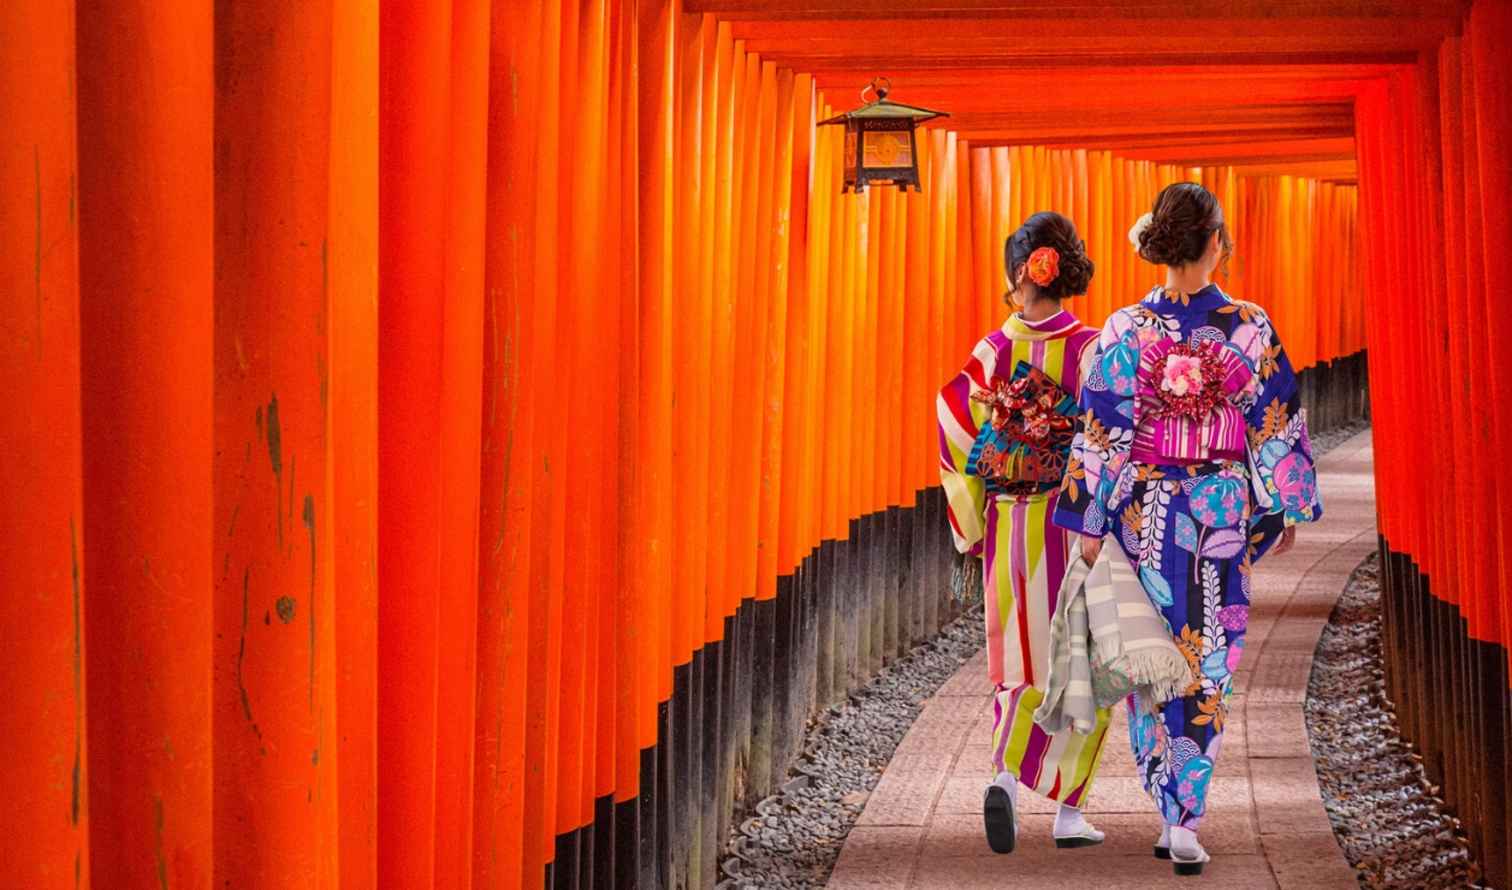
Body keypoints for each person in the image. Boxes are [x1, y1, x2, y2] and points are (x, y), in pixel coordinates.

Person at [1053, 182, 1323, 876]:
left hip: (1146, 511)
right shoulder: (1249, 326)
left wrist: (1091, 518)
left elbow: (1101, 429)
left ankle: (1167, 800)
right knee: (1207, 662)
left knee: (1156, 659)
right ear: (1214, 244)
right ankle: (1183, 815)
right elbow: (1275, 420)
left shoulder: (1123, 330)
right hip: (1219, 510)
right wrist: (1284, 501)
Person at [937, 211, 1109, 855]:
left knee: (1017, 653)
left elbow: (953, 418)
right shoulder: (1092, 347)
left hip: (1011, 519)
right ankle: (1068, 811)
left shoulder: (994, 348)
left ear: (1021, 274)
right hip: (1074, 522)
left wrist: (972, 518)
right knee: (1084, 659)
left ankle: (1005, 777)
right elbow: (1107, 436)